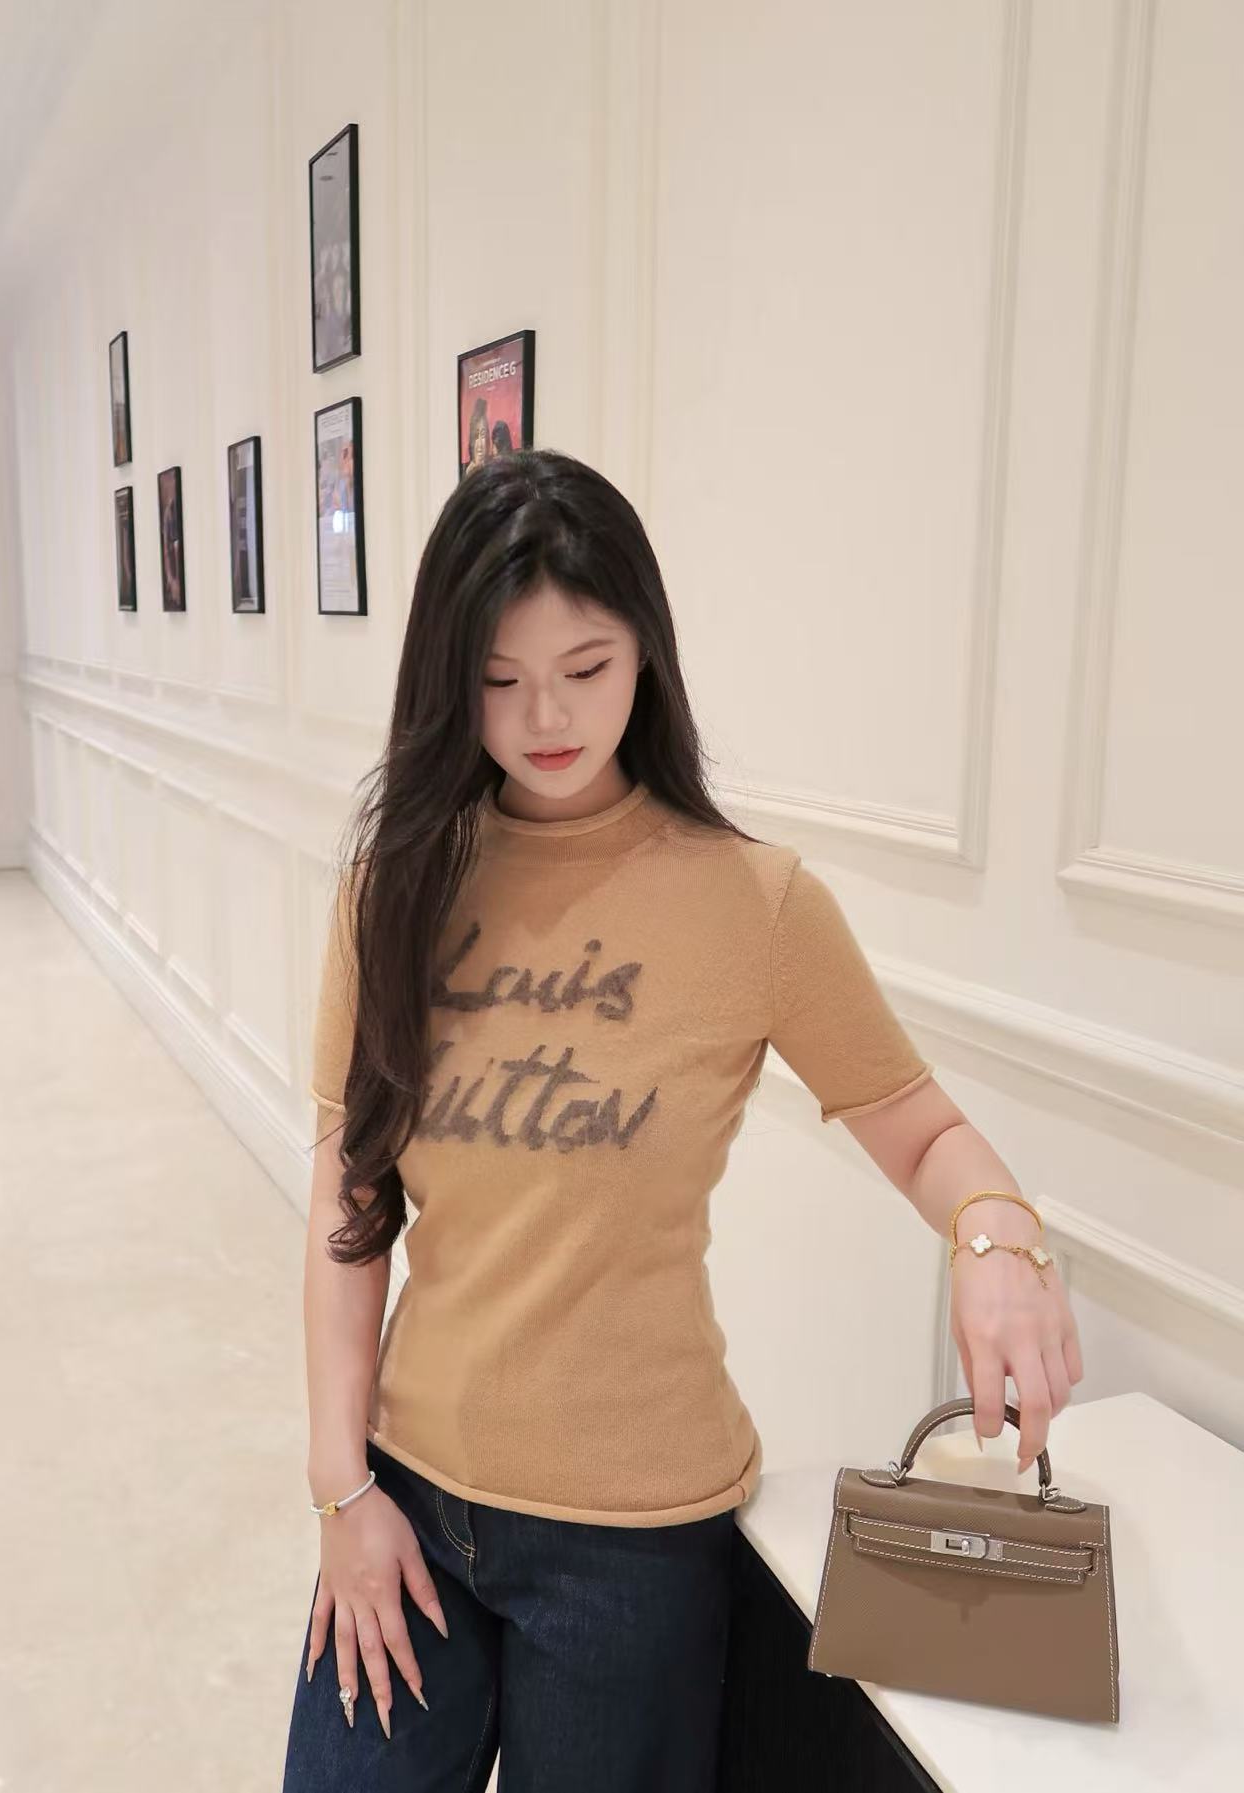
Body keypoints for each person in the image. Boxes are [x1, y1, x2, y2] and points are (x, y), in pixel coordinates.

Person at [279, 448, 1085, 1790]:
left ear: (646, 652)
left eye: (585, 667)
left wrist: (996, 1238)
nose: (546, 714)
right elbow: (344, 1203)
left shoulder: (756, 906)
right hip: (405, 1493)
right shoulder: (397, 886)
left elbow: (925, 1133)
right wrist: (339, 1488)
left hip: (633, 1540)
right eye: (498, 679)